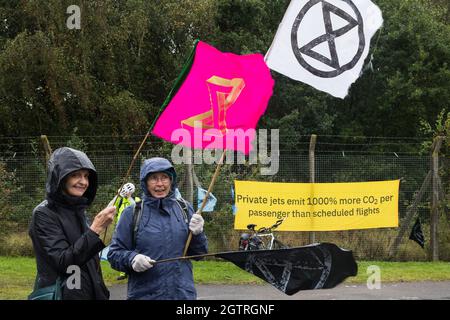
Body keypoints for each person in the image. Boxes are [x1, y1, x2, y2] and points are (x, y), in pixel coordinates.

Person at [107, 157, 208, 300]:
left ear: (171, 181)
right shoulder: (132, 213)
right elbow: (114, 254)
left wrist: (198, 234)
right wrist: (132, 259)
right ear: (145, 182)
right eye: (154, 178)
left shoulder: (184, 209)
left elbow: (199, 254)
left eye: (165, 178)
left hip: (182, 295)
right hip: (144, 295)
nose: (160, 184)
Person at [29, 147, 116, 300]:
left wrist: (101, 291)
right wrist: (95, 229)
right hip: (62, 295)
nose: (83, 182)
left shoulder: (78, 209)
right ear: (60, 177)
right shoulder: (44, 214)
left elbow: (90, 262)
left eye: (86, 176)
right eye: (75, 175)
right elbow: (64, 262)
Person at [111, 182, 140, 280]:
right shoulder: (120, 200)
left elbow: (136, 207)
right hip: (121, 228)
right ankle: (123, 273)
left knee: (132, 248)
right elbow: (112, 207)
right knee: (121, 248)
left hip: (133, 228)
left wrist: (128, 197)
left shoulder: (136, 199)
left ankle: (133, 267)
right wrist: (118, 195)